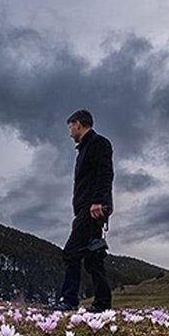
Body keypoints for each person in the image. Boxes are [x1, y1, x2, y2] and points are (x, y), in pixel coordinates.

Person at [51, 109, 113, 312]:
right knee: (93, 257)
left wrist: (96, 202)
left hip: (93, 208)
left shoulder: (98, 143)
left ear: (78, 124)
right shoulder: (84, 149)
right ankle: (102, 304)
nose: (69, 132)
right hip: (86, 210)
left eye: (70, 126)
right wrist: (78, 214)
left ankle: (69, 300)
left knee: (71, 252)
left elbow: (105, 173)